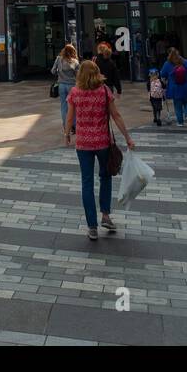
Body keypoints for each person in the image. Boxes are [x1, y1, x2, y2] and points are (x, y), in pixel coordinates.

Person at [65, 60, 135, 241]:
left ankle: (92, 226)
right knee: (105, 177)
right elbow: (116, 115)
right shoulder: (104, 91)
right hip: (103, 142)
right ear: (97, 72)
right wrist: (127, 137)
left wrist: (67, 133)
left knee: (86, 183)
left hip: (83, 144)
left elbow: (69, 117)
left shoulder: (75, 93)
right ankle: (105, 215)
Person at [159, 49, 187, 127]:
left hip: (174, 88)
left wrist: (165, 83)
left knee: (177, 105)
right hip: (186, 87)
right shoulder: (185, 62)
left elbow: (162, 75)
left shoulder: (167, 64)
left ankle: (180, 122)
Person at [50, 44, 81, 126]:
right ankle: (73, 125)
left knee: (63, 106)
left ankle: (66, 125)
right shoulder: (75, 61)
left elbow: (53, 71)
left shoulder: (58, 59)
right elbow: (78, 75)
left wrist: (59, 73)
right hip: (72, 85)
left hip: (61, 85)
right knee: (73, 106)